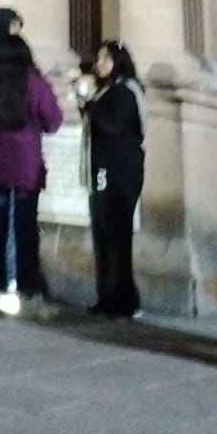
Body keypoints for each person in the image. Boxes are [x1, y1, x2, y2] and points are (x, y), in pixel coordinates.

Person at [0, 36, 62, 311]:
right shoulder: (34, 82)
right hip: (25, 163)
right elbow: (53, 119)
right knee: (25, 227)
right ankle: (27, 290)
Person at [80, 39, 146, 320]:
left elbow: (115, 126)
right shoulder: (109, 91)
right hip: (104, 168)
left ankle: (124, 300)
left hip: (118, 171)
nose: (100, 63)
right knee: (104, 234)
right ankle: (107, 296)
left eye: (106, 58)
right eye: (98, 58)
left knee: (116, 236)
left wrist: (91, 107)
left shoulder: (125, 91)